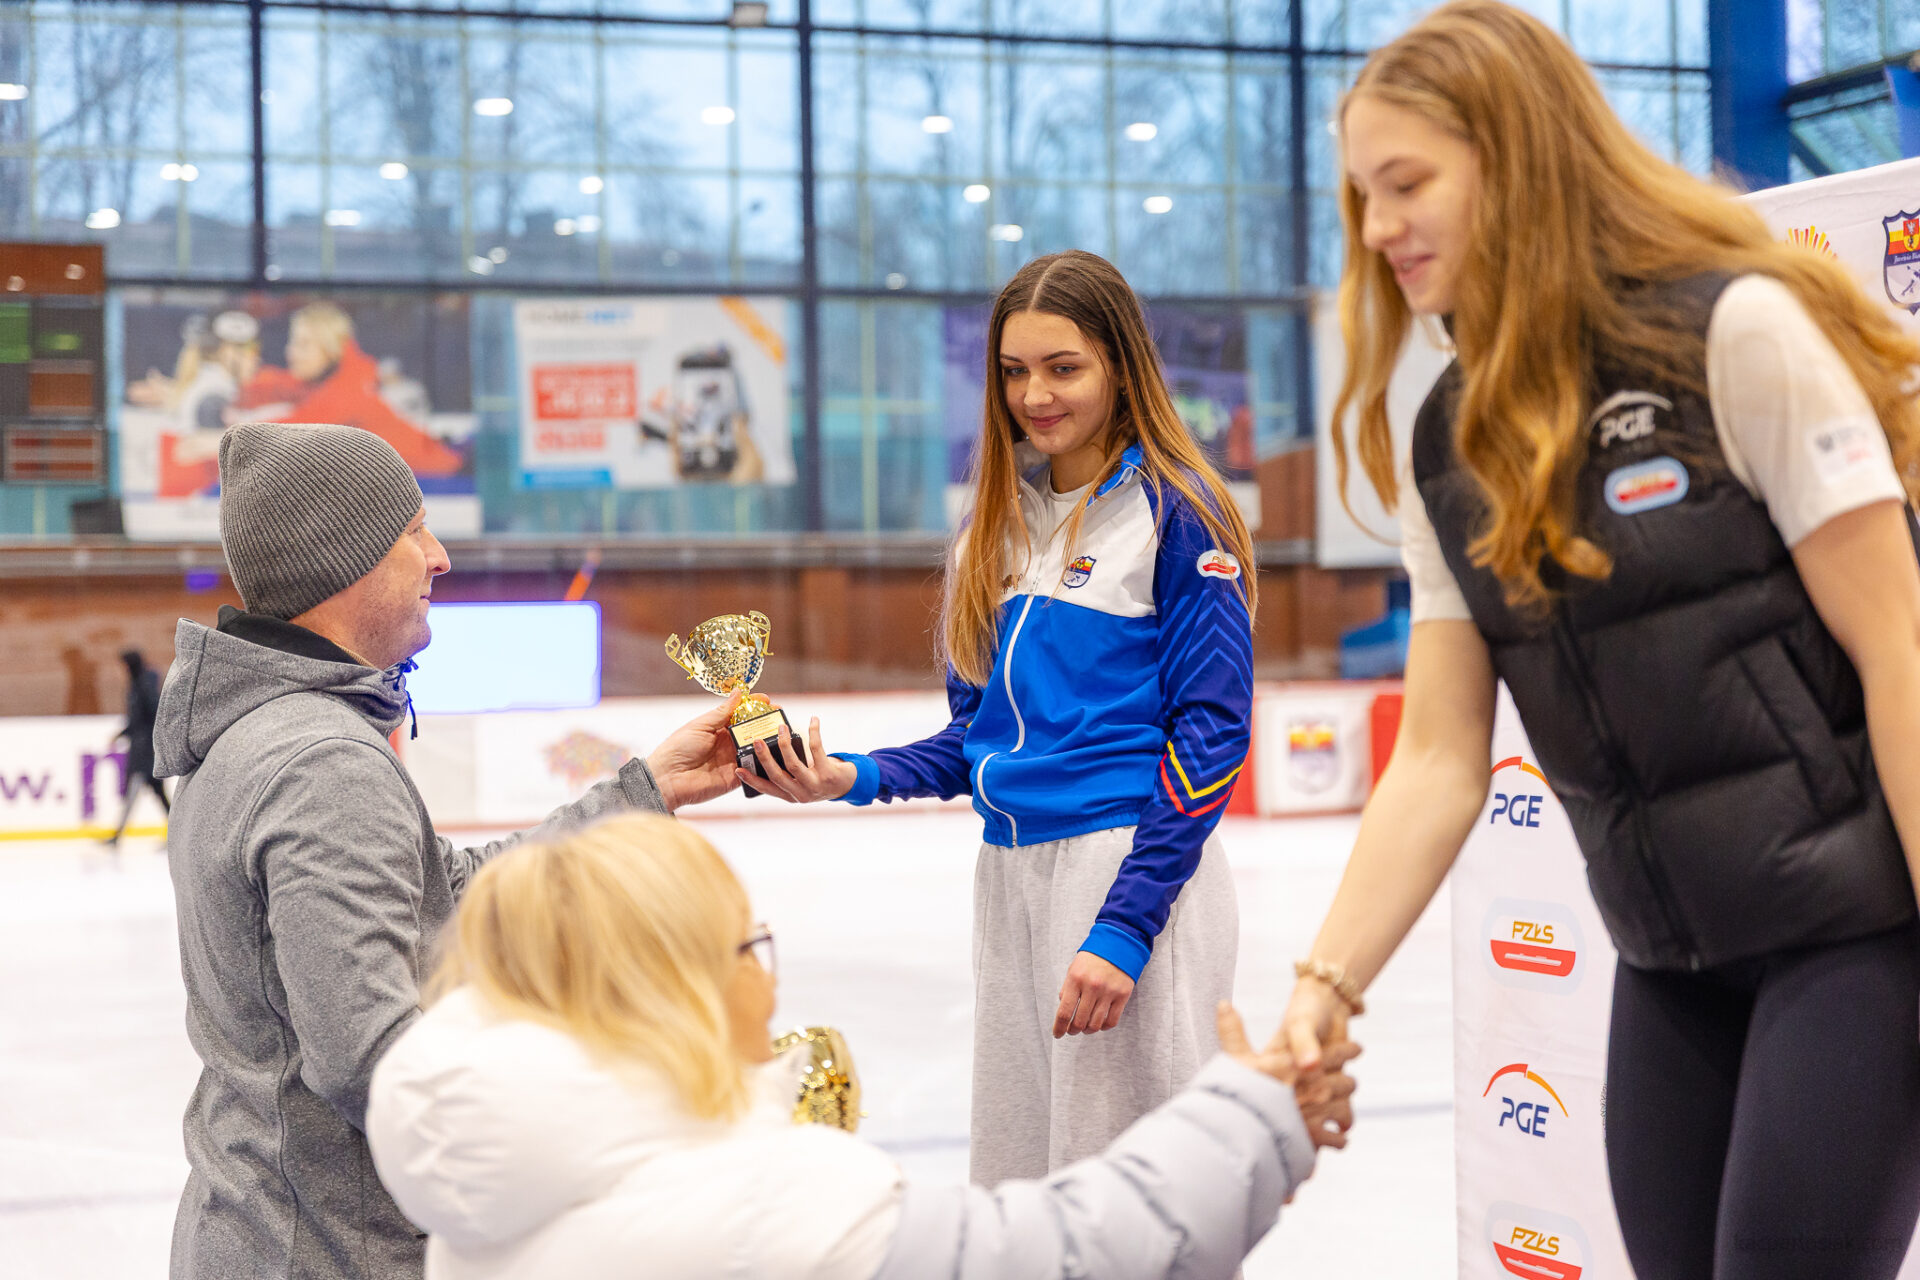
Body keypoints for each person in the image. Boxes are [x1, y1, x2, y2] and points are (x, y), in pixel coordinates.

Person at [1273, 5, 1920, 1279]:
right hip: (1667, 962)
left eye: (1407, 183)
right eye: (1362, 195)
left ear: (1513, 160)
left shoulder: (1730, 330)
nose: (1379, 227)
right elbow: (1439, 760)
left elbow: (1901, 647)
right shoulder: (1453, 439)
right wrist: (1325, 983)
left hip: (1851, 941)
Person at [155, 422, 746, 1280]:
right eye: (414, 532)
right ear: (344, 559)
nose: (441, 558)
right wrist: (618, 1118)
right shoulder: (320, 763)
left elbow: (447, 892)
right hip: (326, 1252)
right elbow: (377, 1058)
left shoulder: (269, 732)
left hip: (275, 1232)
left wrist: (644, 791)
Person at [743, 249, 1259, 1186]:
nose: (1035, 395)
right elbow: (974, 740)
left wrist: (1125, 926)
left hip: (1124, 869)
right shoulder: (995, 527)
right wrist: (848, 776)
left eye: (1064, 368)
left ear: (1121, 365)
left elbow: (1212, 734)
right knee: (1020, 1178)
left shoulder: (1178, 515)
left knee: (1126, 1194)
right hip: (1011, 877)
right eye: (1015, 371)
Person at [364, 813, 1359, 1280]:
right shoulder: (768, 1205)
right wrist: (1249, 1113)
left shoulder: (489, 1194)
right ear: (682, 984)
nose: (769, 978)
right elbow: (1072, 1253)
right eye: (751, 945)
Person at [237, 302, 466, 477]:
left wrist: (228, 438)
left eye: (303, 345)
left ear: (330, 348)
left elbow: (279, 436)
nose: (291, 352)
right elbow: (280, 385)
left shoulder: (348, 392)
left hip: (443, 474)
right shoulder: (334, 378)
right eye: (292, 342)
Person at [103, 648, 169, 846]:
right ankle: (118, 836)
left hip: (145, 752)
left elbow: (151, 716)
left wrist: (148, 743)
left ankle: (117, 836)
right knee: (160, 796)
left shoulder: (144, 686)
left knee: (133, 792)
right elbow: (137, 721)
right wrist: (121, 734)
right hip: (142, 749)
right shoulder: (137, 685)